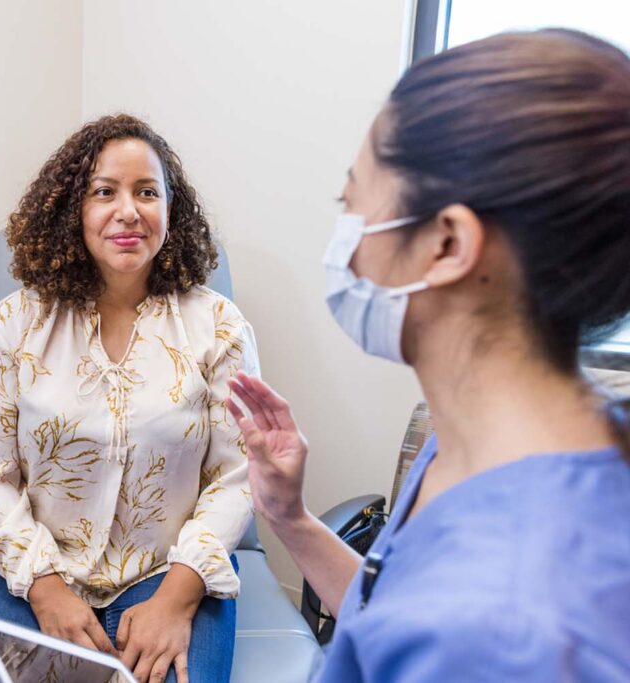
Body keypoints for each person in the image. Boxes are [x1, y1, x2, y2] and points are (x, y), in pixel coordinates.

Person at [229, 29, 630, 681]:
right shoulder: (472, 445)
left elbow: (446, 633)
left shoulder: (513, 630)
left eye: (351, 206)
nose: (343, 245)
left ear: (447, 244)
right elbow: (391, 618)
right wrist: (290, 518)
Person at [0, 114, 259, 683]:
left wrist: (177, 598)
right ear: (73, 208)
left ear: (171, 208)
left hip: (170, 569)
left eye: (147, 192)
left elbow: (238, 474)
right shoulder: (14, 325)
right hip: (34, 568)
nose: (128, 211)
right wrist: (45, 589)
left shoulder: (219, 328)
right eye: (104, 192)